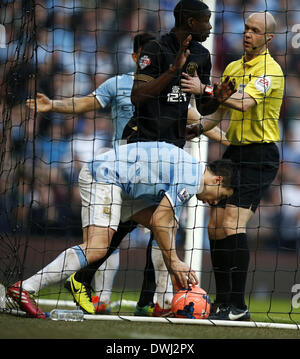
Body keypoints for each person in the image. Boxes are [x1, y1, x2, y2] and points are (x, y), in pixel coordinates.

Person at [7, 141, 237, 319]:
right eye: (222, 197)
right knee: (97, 247)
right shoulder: (191, 178)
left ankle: (165, 301)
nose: (215, 203)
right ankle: (25, 288)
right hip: (106, 177)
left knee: (170, 225)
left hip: (121, 184)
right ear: (217, 180)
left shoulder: (191, 170)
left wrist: (173, 260)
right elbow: (158, 218)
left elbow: (163, 222)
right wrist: (175, 261)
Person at [180, 11, 284, 321]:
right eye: (246, 29)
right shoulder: (233, 67)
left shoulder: (271, 71)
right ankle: (223, 302)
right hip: (234, 153)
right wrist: (198, 128)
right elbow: (219, 114)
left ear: (269, 38)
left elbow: (243, 103)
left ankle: (238, 306)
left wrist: (203, 90)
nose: (248, 34)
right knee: (214, 227)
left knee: (231, 226)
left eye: (255, 31)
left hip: (260, 156)